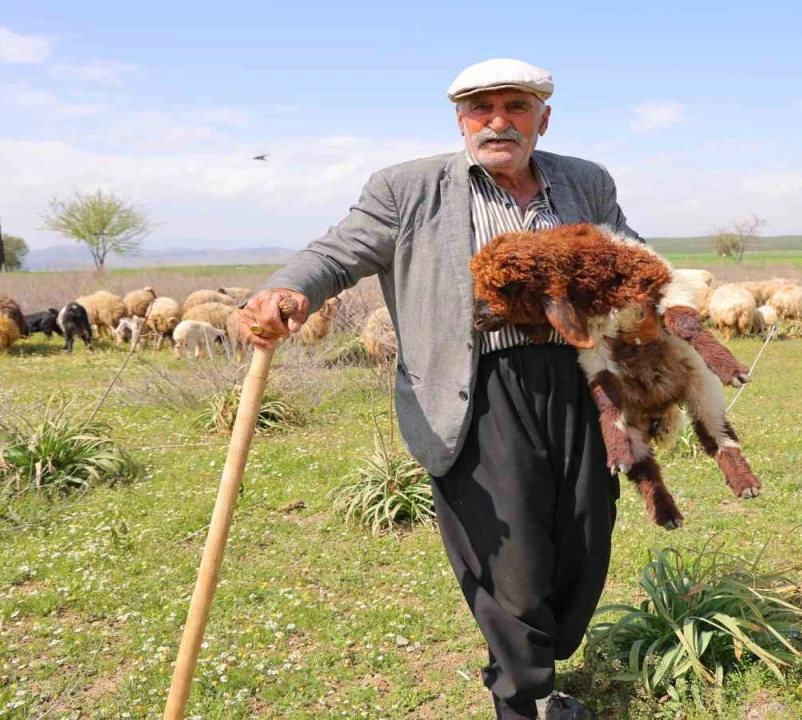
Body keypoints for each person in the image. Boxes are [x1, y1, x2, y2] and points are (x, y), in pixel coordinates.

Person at [240, 58, 640, 720]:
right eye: (481, 107)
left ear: (544, 117)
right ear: (461, 120)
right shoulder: (408, 189)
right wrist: (290, 289)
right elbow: (339, 252)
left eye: (516, 106)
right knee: (510, 560)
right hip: (474, 387)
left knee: (583, 541)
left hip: (575, 382)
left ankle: (538, 653)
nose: (498, 120)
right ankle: (527, 698)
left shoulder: (584, 183)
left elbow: (622, 254)